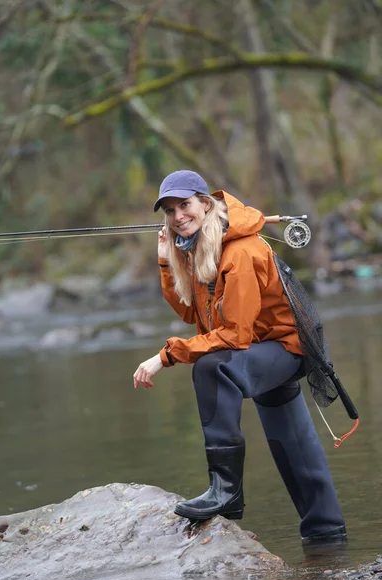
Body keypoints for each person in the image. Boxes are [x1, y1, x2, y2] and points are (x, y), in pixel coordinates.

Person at [133, 170, 346, 545]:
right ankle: (327, 536)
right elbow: (195, 315)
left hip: (286, 348)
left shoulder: (240, 251)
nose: (178, 216)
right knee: (290, 444)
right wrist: (167, 263)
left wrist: (165, 356)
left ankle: (225, 488)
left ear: (205, 203)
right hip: (262, 350)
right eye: (169, 210)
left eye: (184, 205)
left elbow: (235, 335)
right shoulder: (204, 247)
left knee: (214, 369)